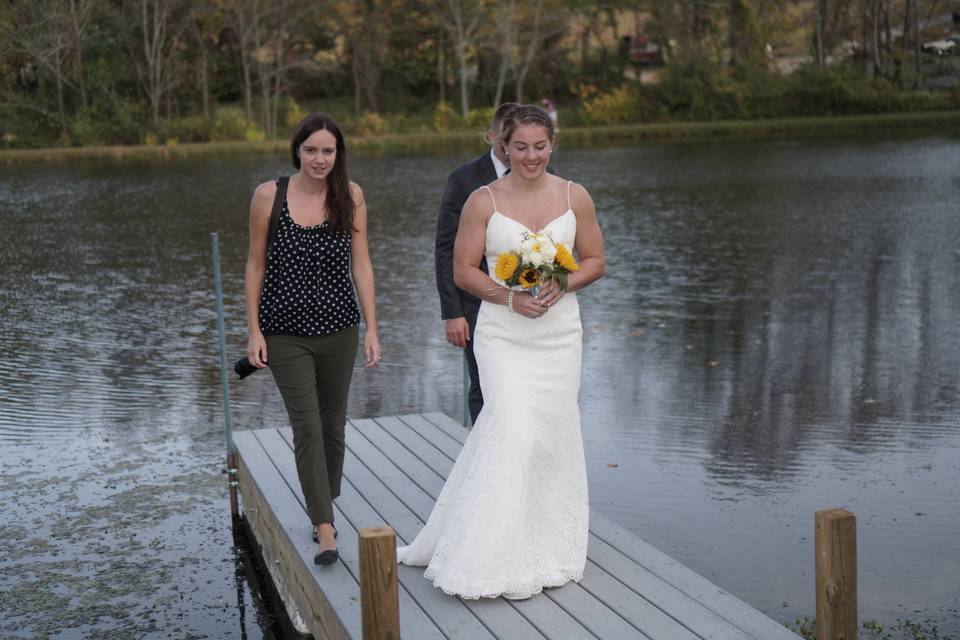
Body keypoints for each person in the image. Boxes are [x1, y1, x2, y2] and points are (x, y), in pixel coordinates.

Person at [398, 104, 606, 599]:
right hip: (503, 336)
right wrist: (509, 296)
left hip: (559, 337)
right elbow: (464, 270)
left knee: (550, 434)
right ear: (503, 146)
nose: (531, 156)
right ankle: (490, 555)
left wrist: (564, 281)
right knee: (509, 428)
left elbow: (596, 260)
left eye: (540, 146)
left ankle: (548, 542)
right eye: (521, 146)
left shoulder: (575, 196)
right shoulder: (482, 200)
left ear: (552, 145)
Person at [244, 113, 381, 566]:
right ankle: (325, 527)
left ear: (337, 153)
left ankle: (323, 493)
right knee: (307, 426)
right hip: (284, 332)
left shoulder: (351, 195)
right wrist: (254, 331)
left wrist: (373, 328)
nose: (319, 159)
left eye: (328, 150)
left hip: (340, 327)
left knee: (333, 425)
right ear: (297, 151)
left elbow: (360, 264)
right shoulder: (270, 195)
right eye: (311, 150)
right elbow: (255, 265)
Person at [435, 102, 519, 425]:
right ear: (492, 137)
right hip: (477, 302)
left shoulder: (545, 176)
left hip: (530, 299)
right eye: (506, 142)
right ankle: (485, 460)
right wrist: (452, 312)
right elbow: (445, 249)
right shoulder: (464, 179)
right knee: (484, 384)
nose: (513, 152)